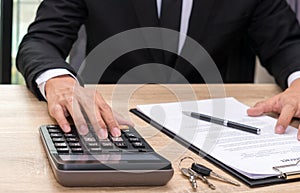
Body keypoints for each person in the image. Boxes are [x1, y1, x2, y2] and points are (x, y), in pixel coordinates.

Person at [17, 0, 300, 140]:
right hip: (114, 126)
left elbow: (286, 44)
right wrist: (60, 81)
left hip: (214, 135)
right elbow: (41, 40)